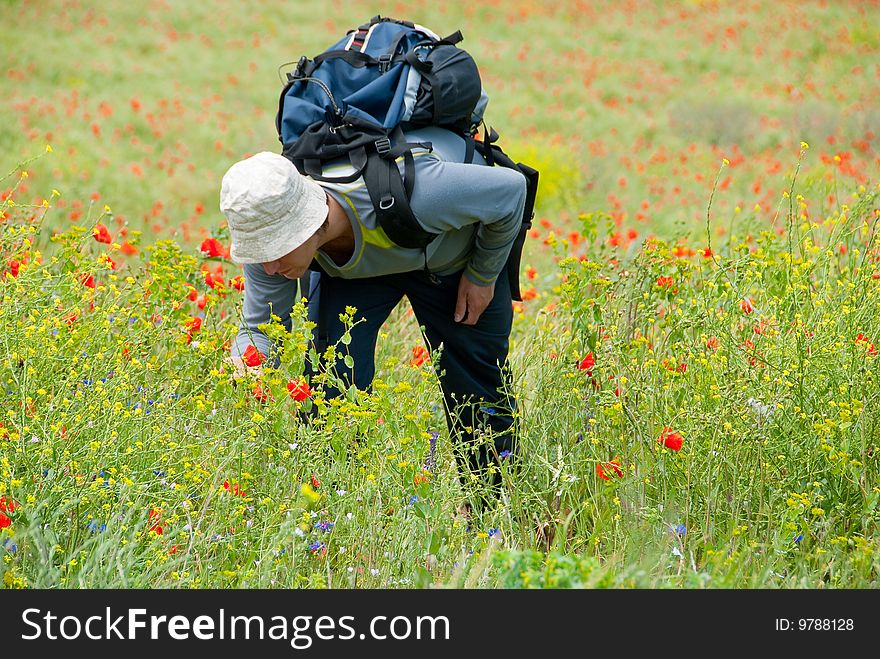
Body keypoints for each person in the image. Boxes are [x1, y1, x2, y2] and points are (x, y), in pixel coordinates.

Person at [220, 126, 527, 504]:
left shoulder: (422, 192)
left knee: (477, 386)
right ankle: (335, 516)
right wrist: (248, 362)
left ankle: (495, 513)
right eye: (259, 252)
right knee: (332, 378)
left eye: (276, 250)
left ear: (310, 225)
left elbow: (511, 190)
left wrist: (482, 274)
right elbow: (261, 329)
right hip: (357, 267)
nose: (268, 267)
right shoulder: (272, 252)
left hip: (446, 253)